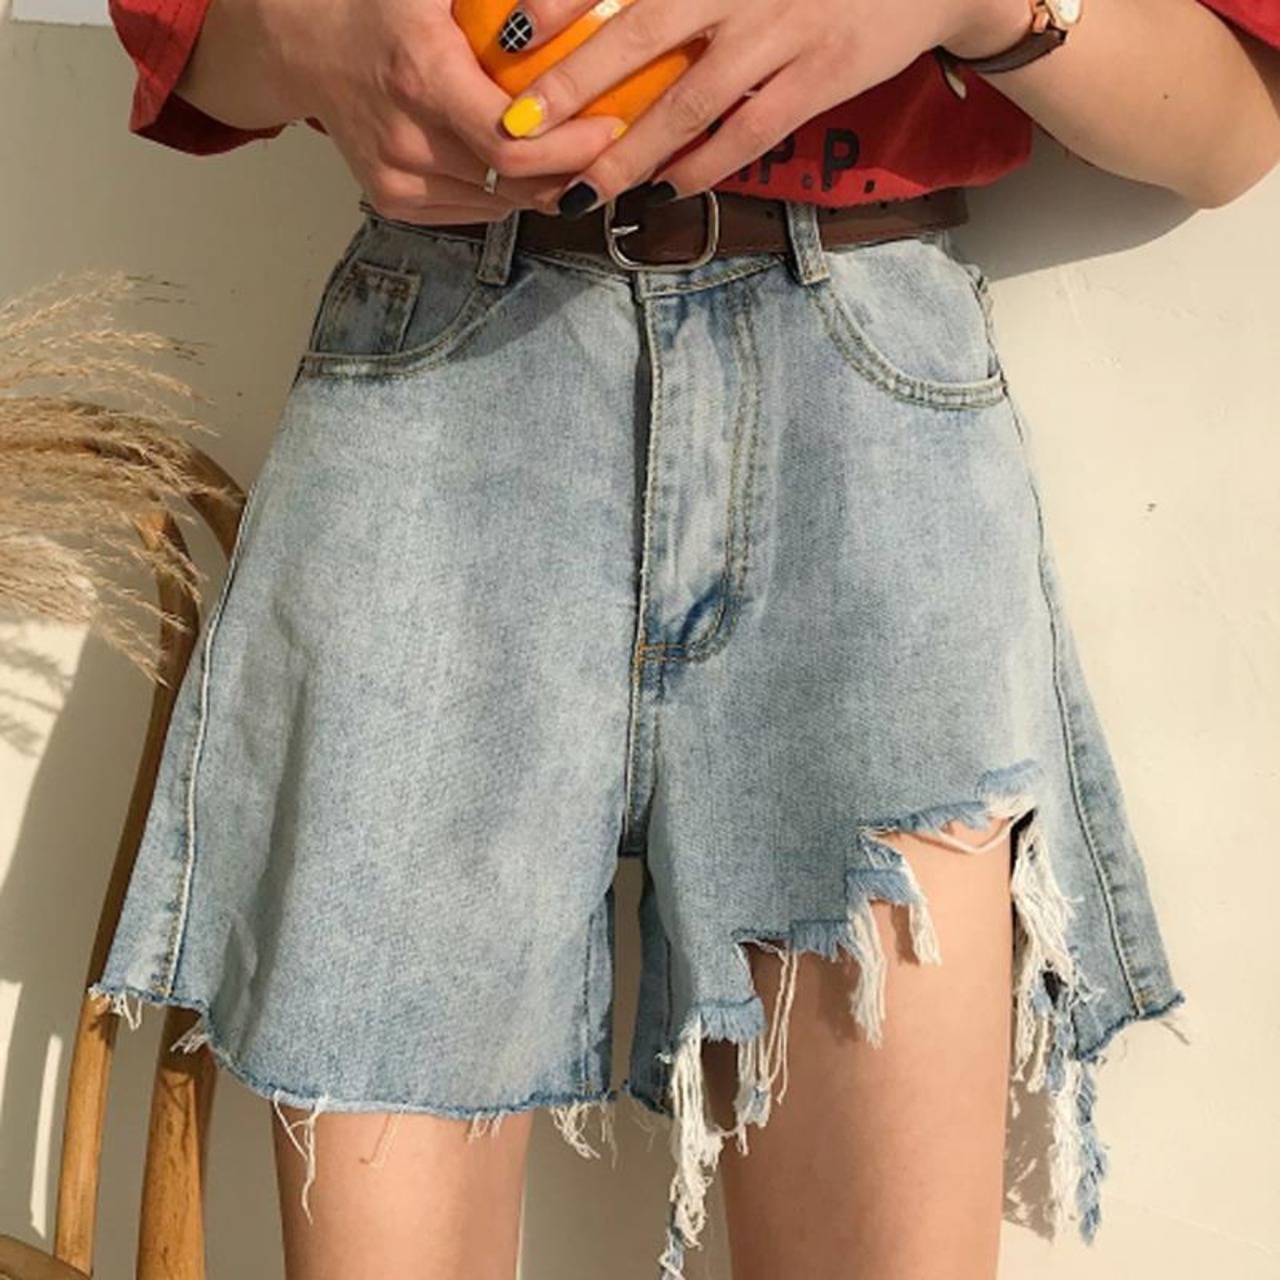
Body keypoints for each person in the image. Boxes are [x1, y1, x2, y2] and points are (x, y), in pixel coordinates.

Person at [89, 0, 1277, 1276]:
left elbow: (1227, 128)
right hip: (449, 372)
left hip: (858, 426)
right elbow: (188, 37)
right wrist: (316, 35)